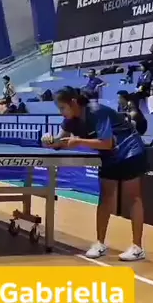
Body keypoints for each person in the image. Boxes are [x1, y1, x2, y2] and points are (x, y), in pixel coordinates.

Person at [41, 87, 146, 261]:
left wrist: (78, 141)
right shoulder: (69, 120)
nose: (61, 112)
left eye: (62, 108)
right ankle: (100, 244)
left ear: (73, 102)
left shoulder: (96, 111)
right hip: (109, 156)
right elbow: (61, 141)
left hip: (129, 150)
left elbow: (107, 142)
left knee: (132, 197)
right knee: (105, 197)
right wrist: (49, 140)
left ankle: (137, 248)